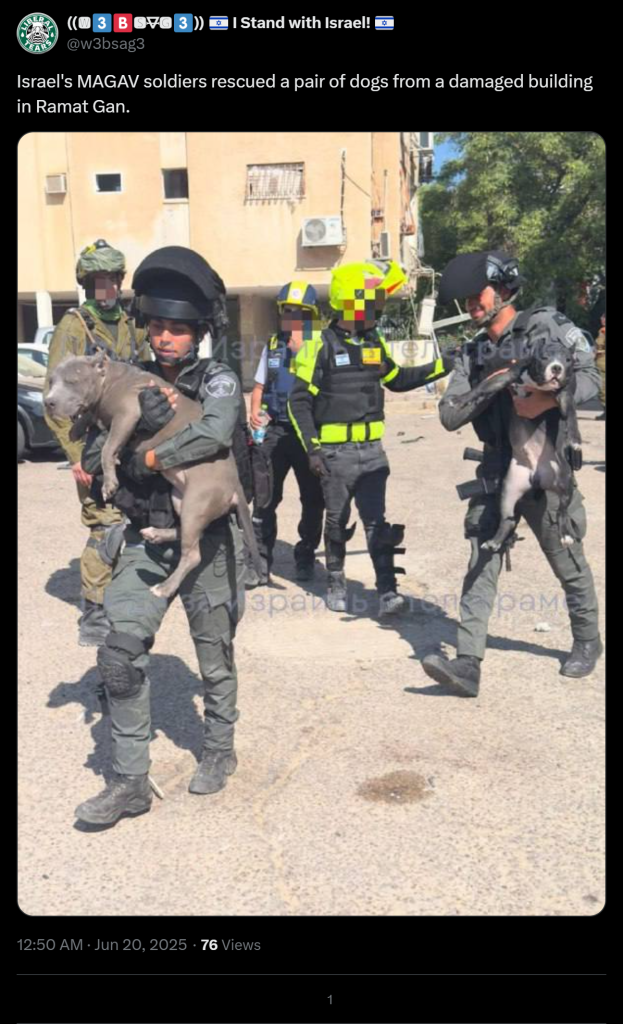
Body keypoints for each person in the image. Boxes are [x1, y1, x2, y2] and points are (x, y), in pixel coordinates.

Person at [74, 246, 247, 826]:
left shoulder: (217, 379)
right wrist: (130, 435)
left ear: (198, 333)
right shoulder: (121, 379)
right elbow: (93, 458)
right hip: (144, 541)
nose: (166, 338)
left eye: (179, 329)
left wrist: (148, 453)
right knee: (118, 657)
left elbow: (215, 432)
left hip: (207, 540)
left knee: (214, 657)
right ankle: (130, 783)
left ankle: (219, 748)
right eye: (157, 327)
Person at [421, 249, 603, 697]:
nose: (471, 305)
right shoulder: (473, 352)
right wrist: (496, 380)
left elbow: (591, 379)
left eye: (477, 295)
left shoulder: (546, 326)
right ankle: (468, 663)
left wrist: (547, 399)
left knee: (566, 560)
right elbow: (449, 414)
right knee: (481, 563)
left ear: (503, 289)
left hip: (545, 466)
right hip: (495, 469)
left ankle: (587, 640)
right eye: (465, 300)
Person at [288, 259, 452, 615]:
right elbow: (298, 402)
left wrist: (445, 364)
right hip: (335, 454)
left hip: (373, 452)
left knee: (376, 520)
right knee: (336, 521)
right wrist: (312, 449)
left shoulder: (373, 342)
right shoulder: (319, 346)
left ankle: (387, 591)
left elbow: (397, 380)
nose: (378, 309)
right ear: (351, 303)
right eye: (373, 302)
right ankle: (335, 581)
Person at [44, 239, 151, 645]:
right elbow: (53, 398)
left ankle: (126, 596)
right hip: (90, 443)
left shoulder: (129, 323)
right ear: (87, 285)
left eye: (112, 279)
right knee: (104, 526)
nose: (106, 288)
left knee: (135, 518)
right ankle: (94, 613)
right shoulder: (74, 326)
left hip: (129, 438)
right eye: (97, 281)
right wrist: (75, 457)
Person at [246, 281, 325, 585]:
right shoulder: (273, 345)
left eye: (300, 312)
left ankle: (305, 556)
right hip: (275, 432)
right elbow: (259, 387)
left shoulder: (321, 346)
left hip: (307, 435)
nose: (292, 317)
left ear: (311, 315)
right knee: (265, 498)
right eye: (287, 311)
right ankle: (260, 562)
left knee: (313, 500)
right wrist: (254, 413)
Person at [594, 312, 605, 420]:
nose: (601, 319)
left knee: (602, 388)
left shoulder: (603, 331)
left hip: (603, 363)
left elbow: (600, 346)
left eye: (602, 318)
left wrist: (596, 352)